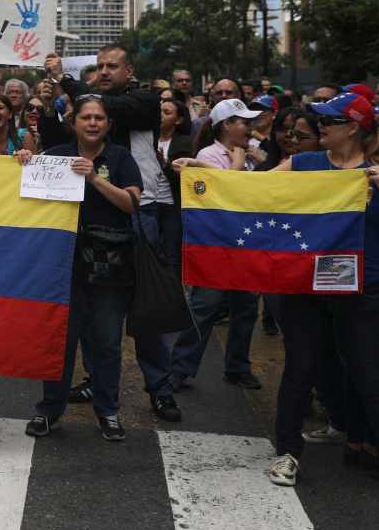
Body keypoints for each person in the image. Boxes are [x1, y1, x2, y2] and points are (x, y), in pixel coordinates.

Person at [266, 91, 379, 506]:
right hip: (306, 284)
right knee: (300, 368)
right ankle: (287, 452)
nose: (320, 128)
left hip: (362, 286)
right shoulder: (303, 163)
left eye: (329, 121)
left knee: (372, 375)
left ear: (353, 127)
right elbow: (254, 190)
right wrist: (199, 176)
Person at [45, 47, 183, 423]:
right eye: (100, 67)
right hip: (97, 212)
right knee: (94, 308)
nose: (104, 72)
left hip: (144, 212)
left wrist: (65, 80)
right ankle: (95, 377)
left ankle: (160, 388)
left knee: (147, 305)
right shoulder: (96, 109)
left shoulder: (146, 100)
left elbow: (103, 103)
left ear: (130, 70)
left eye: (112, 66)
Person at [24, 95, 143, 443]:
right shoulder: (57, 154)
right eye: (86, 118)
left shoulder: (120, 158)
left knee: (106, 342)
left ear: (108, 125)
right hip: (61, 265)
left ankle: (107, 412)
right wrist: (24, 161)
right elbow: (28, 190)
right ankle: (49, 411)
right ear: (74, 123)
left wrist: (95, 179)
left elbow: (133, 203)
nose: (92, 123)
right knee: (59, 341)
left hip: (109, 267)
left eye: (99, 118)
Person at [170, 99, 265, 392]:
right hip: (216, 243)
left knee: (246, 307)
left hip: (248, 241)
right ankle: (180, 368)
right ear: (226, 125)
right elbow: (225, 191)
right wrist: (238, 162)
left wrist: (259, 163)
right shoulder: (208, 155)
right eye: (244, 122)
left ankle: (238, 366)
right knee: (205, 305)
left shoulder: (252, 155)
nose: (250, 128)